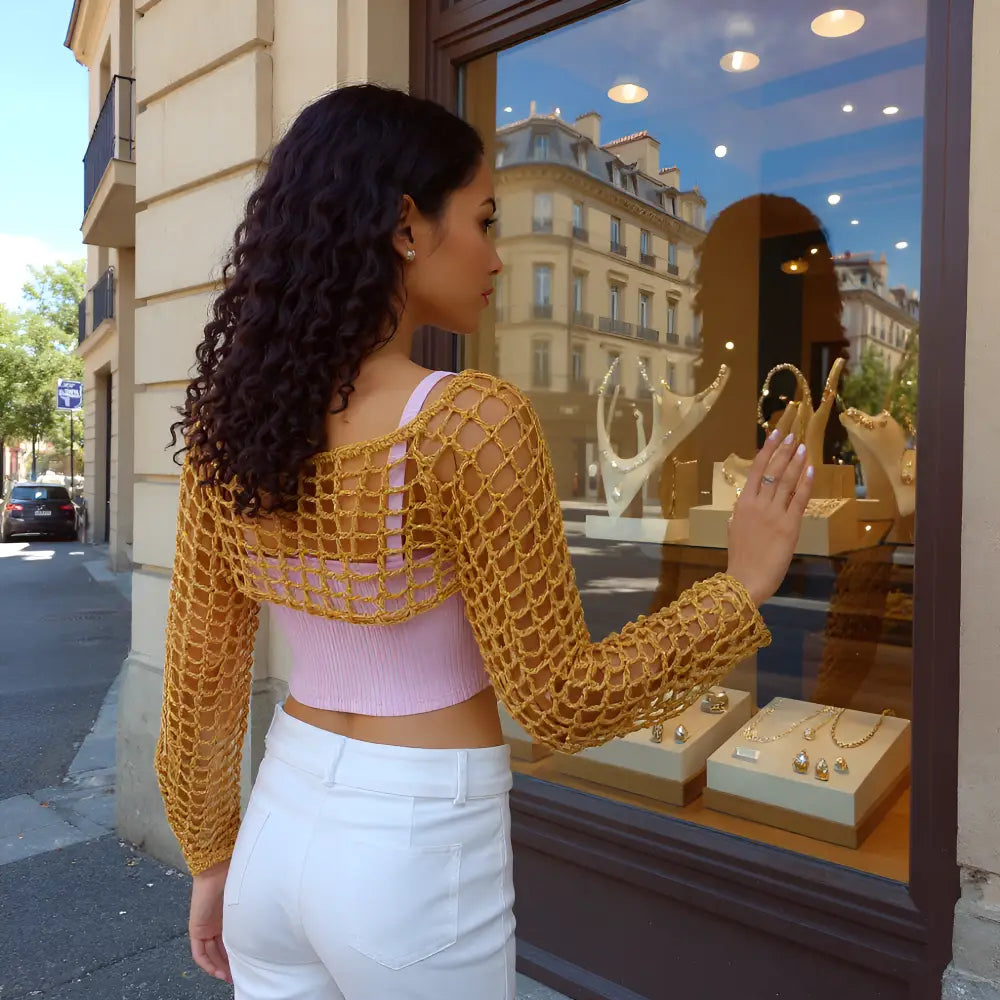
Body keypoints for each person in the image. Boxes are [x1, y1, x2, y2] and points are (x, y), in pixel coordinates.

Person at [155, 84, 814, 1000]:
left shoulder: (235, 423)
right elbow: (559, 702)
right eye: (485, 218)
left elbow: (198, 682)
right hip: (416, 852)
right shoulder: (467, 420)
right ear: (405, 226)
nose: (499, 256)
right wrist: (739, 588)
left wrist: (212, 860)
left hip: (276, 825)